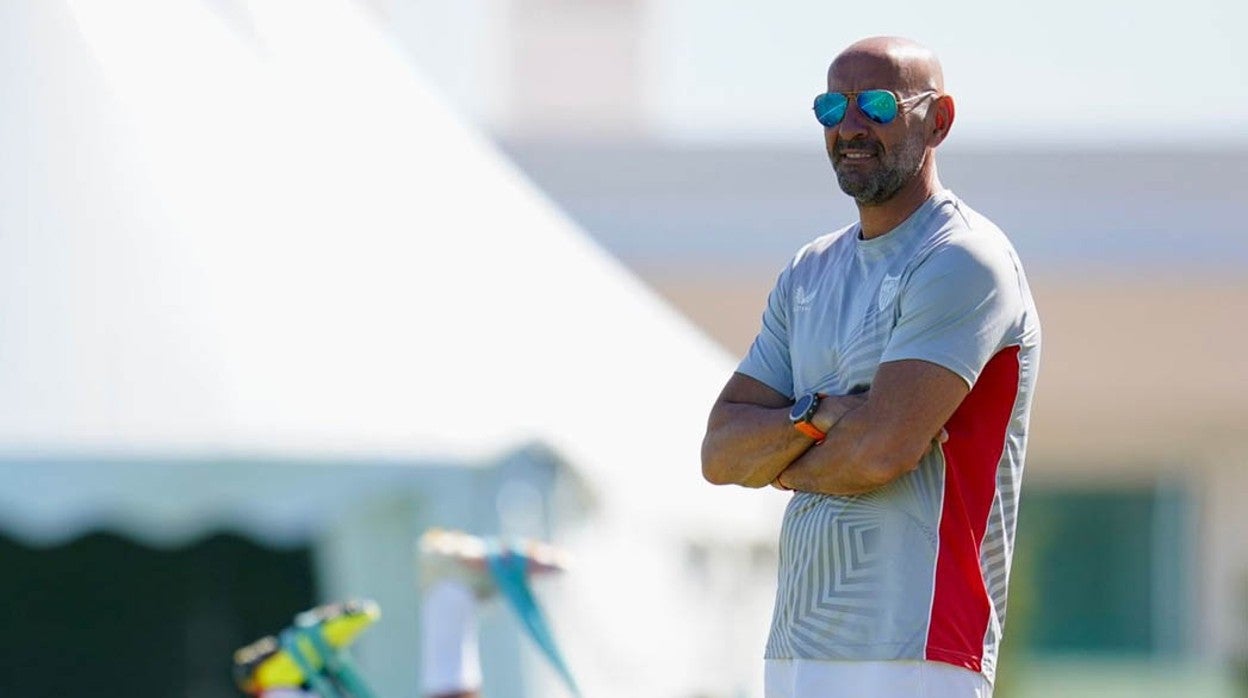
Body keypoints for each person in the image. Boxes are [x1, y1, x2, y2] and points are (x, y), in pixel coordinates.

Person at [700, 36, 1041, 698]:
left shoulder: (963, 259)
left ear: (938, 120)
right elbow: (719, 452)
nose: (850, 126)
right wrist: (823, 414)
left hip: (922, 650)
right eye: (833, 107)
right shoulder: (809, 269)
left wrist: (777, 457)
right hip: (797, 649)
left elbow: (882, 451)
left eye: (878, 105)